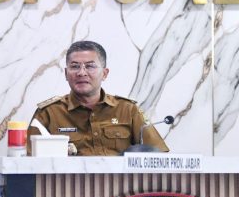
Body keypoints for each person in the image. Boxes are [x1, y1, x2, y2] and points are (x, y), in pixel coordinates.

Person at [27, 40, 169, 156]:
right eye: (75, 66)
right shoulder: (49, 113)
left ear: (105, 74)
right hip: (68, 182)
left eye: (90, 66)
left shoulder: (127, 110)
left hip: (121, 182)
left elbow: (159, 156)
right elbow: (26, 162)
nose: (81, 73)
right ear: (66, 73)